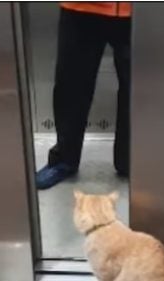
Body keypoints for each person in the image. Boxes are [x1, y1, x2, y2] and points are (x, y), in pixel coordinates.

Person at [36, 2, 131, 190]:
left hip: (140, 10)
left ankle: (130, 160)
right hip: (81, 8)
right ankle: (64, 159)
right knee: (71, 85)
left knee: (140, 88)